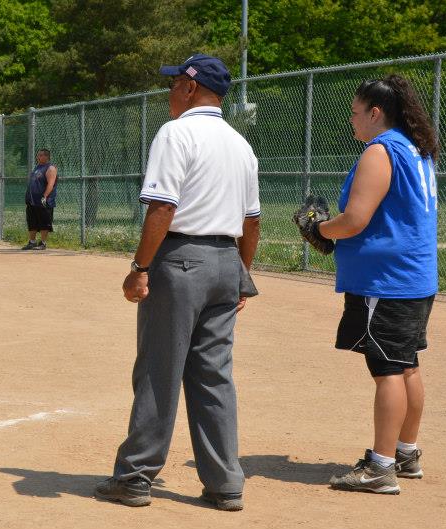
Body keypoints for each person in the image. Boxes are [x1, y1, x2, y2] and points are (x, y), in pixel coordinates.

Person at [94, 54, 261, 511]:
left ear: (190, 88)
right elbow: (252, 221)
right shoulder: (239, 144)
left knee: (159, 369)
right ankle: (226, 483)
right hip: (227, 261)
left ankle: (135, 476)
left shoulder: (176, 132)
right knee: (213, 376)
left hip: (181, 260)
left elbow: (163, 208)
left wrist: (140, 267)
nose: (169, 93)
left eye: (173, 85)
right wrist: (241, 274)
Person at [316, 75, 438, 495]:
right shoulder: (416, 148)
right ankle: (405, 453)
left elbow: (355, 219)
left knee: (387, 369)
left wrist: (319, 229)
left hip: (386, 281)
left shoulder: (380, 150)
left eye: (355, 113)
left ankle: (381, 467)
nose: (352, 121)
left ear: (375, 113)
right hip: (415, 277)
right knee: (407, 364)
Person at [21, 148, 58, 250]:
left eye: (41, 155)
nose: (38, 157)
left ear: (47, 156)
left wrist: (45, 196)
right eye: (38, 155)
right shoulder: (37, 167)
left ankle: (43, 243)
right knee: (32, 222)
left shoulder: (50, 168)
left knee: (44, 222)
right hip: (32, 201)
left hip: (43, 201)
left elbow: (51, 184)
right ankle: (32, 242)